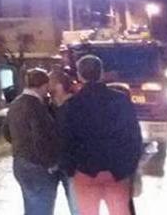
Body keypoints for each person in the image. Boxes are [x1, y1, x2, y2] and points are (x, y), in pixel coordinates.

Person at [59, 55, 142, 215]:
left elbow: (65, 141)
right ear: (102, 73)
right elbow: (133, 136)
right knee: (119, 211)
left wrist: (70, 170)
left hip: (84, 172)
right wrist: (128, 166)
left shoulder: (71, 105)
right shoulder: (120, 100)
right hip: (117, 171)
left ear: (79, 75)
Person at [4, 68, 60, 215]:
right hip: (38, 167)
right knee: (42, 209)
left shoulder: (15, 104)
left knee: (31, 207)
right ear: (44, 85)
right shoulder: (36, 106)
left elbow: (6, 132)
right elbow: (41, 138)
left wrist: (21, 144)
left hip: (20, 163)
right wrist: (50, 164)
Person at [49, 69, 79, 215]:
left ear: (59, 87)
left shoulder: (72, 108)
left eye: (51, 89)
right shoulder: (55, 107)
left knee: (77, 207)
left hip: (72, 168)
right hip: (62, 166)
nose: (49, 92)